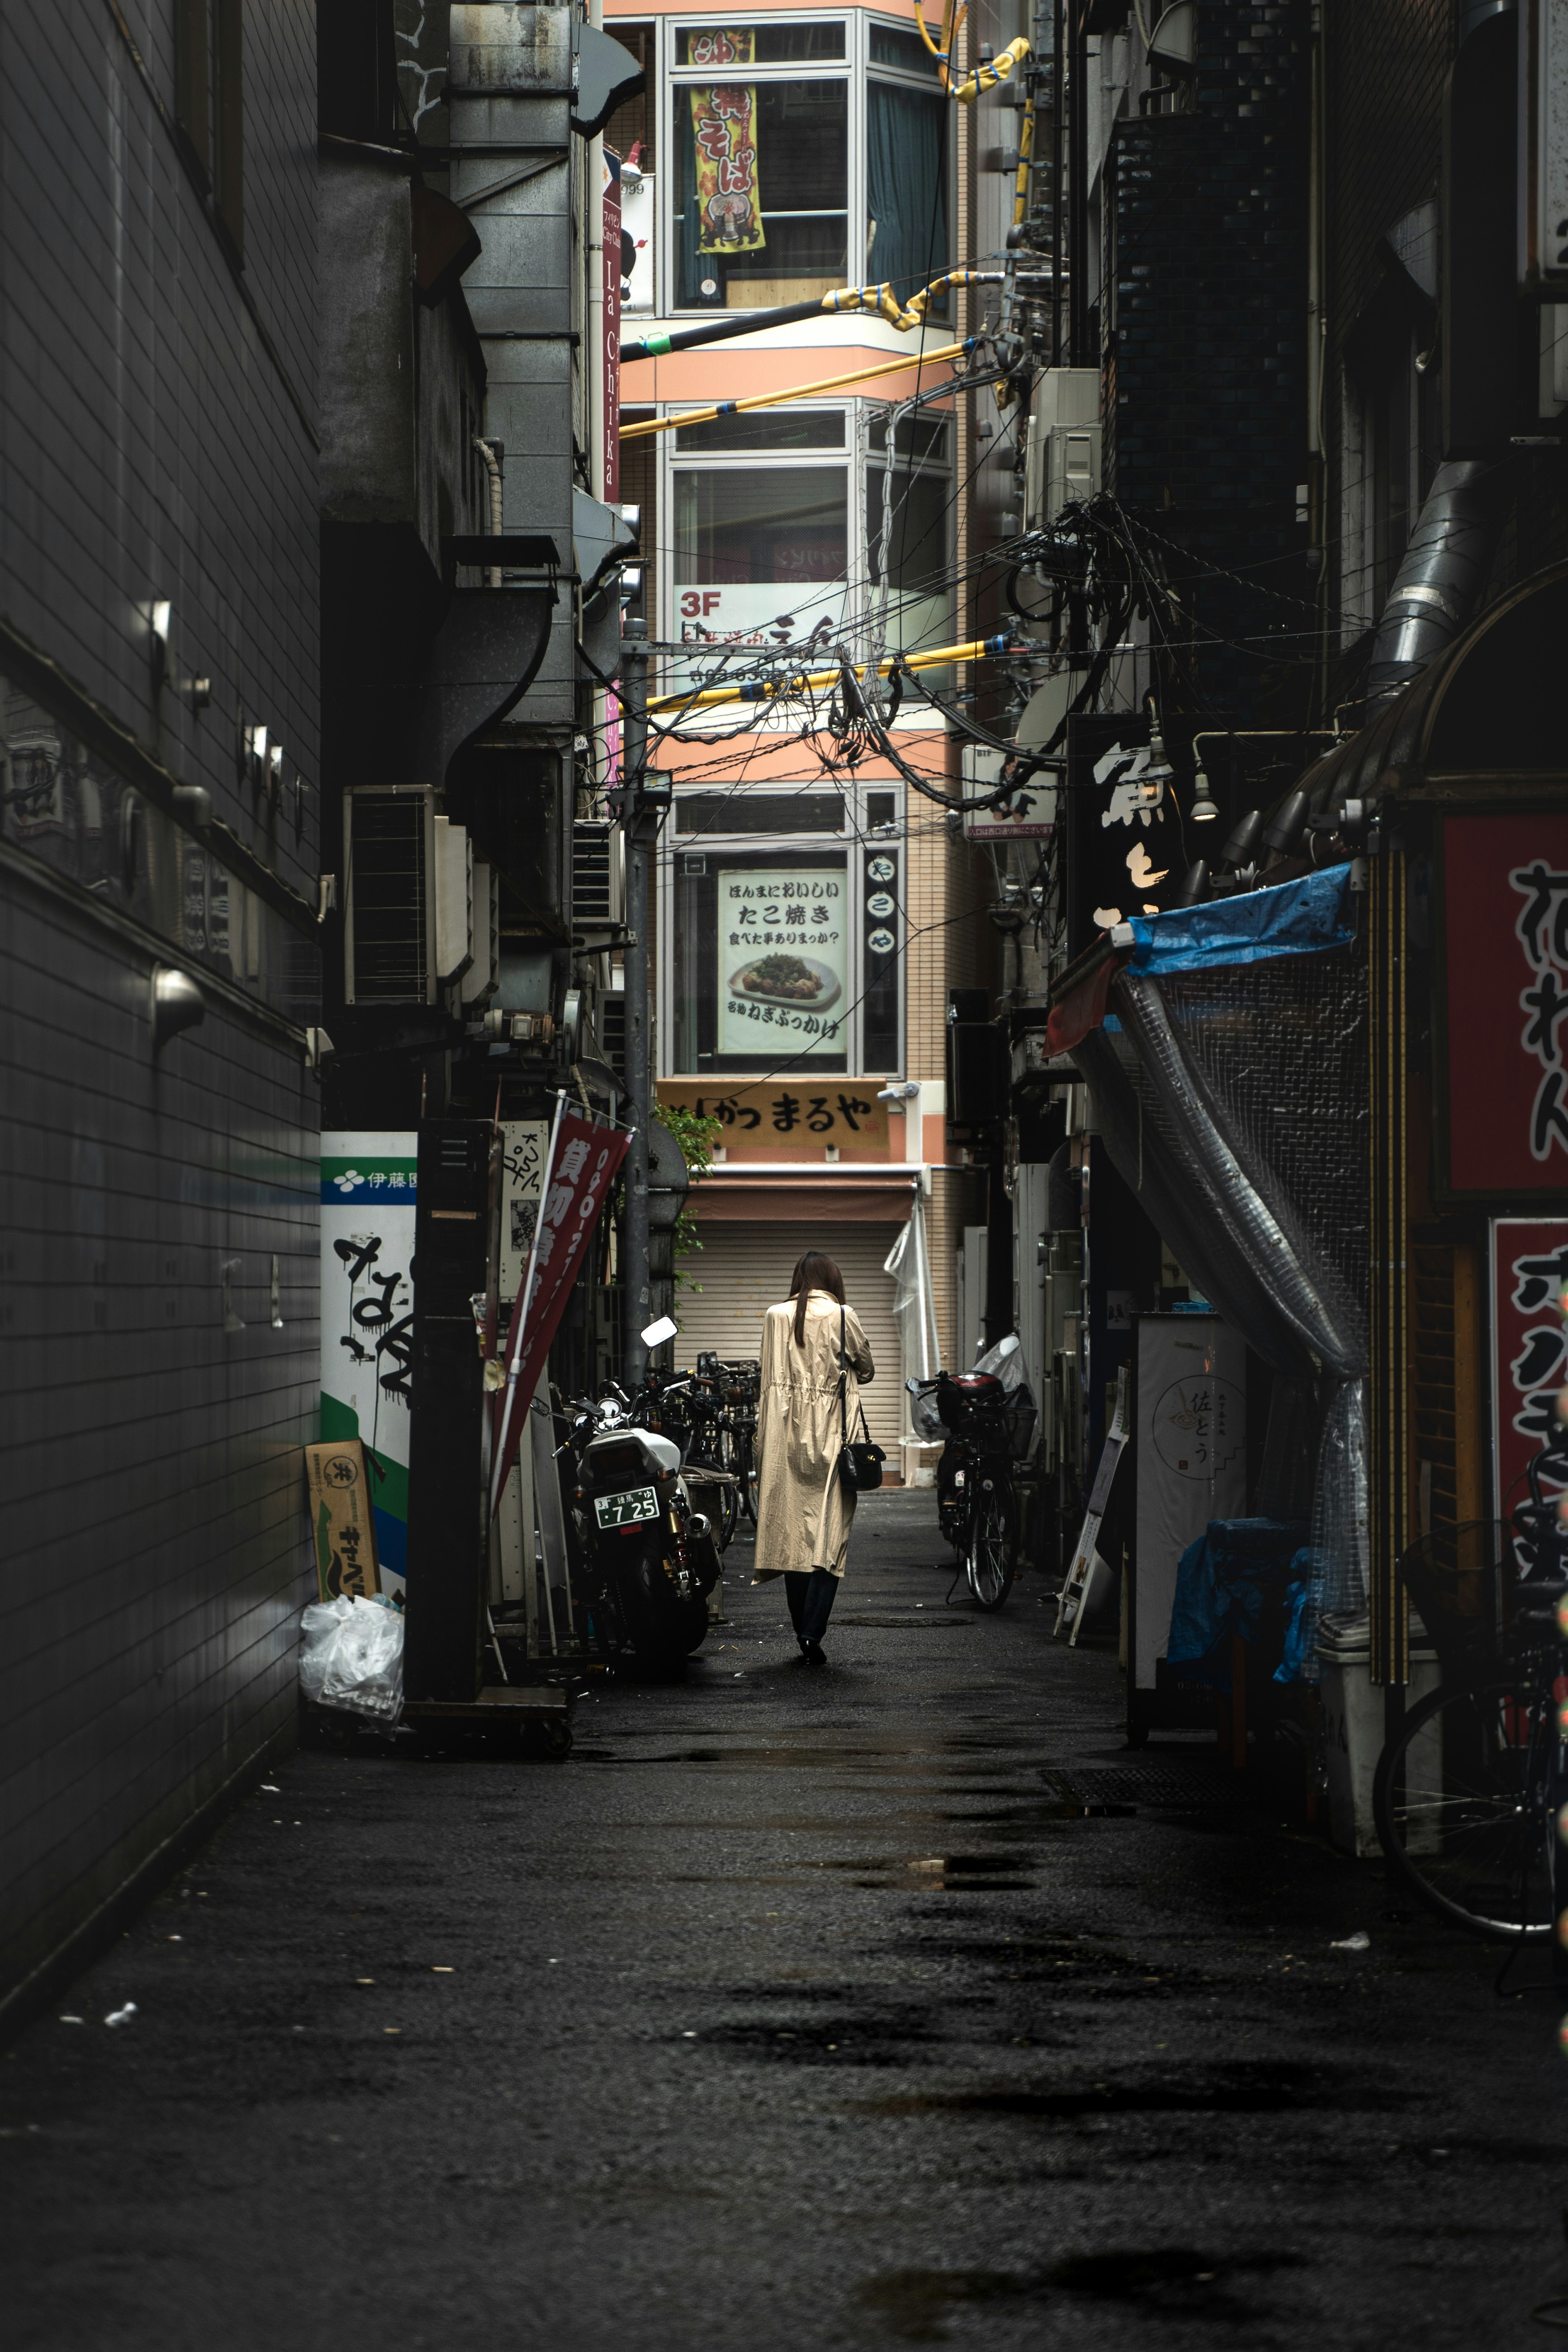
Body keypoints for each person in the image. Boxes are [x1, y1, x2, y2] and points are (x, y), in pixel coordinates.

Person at [751, 1250, 875, 1665]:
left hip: (784, 1436)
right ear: (832, 1279)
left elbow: (769, 1381)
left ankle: (799, 1629)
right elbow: (868, 1367)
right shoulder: (843, 1314)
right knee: (828, 1535)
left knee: (791, 1532)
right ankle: (811, 1632)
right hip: (833, 1438)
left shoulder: (774, 1316)